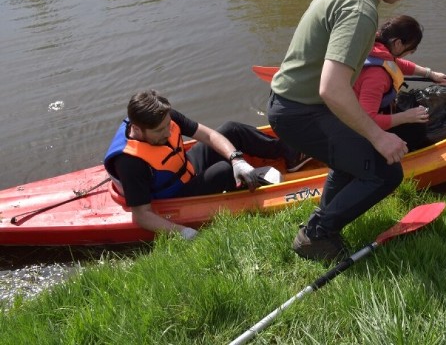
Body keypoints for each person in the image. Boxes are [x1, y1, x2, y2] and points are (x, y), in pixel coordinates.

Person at [267, 0, 431, 261]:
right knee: (385, 171)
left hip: (293, 102)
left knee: (352, 161)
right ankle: (316, 235)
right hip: (303, 111)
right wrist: (379, 136)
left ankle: (322, 228)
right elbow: (332, 88)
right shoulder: (361, 10)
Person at [103, 89, 301, 240]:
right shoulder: (130, 163)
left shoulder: (161, 116)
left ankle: (291, 153)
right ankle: (259, 180)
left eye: (167, 126)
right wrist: (184, 232)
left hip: (186, 167)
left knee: (231, 130)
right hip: (175, 195)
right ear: (137, 129)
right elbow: (142, 216)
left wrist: (236, 159)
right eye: (159, 131)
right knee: (223, 171)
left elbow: (208, 135)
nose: (167, 133)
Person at [354, 14, 446, 152]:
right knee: (416, 130)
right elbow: (367, 122)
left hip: (365, 112)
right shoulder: (376, 76)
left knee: (415, 120)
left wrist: (430, 74)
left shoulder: (375, 47)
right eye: (411, 50)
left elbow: (396, 64)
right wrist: (406, 117)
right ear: (398, 43)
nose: (410, 54)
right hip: (358, 129)